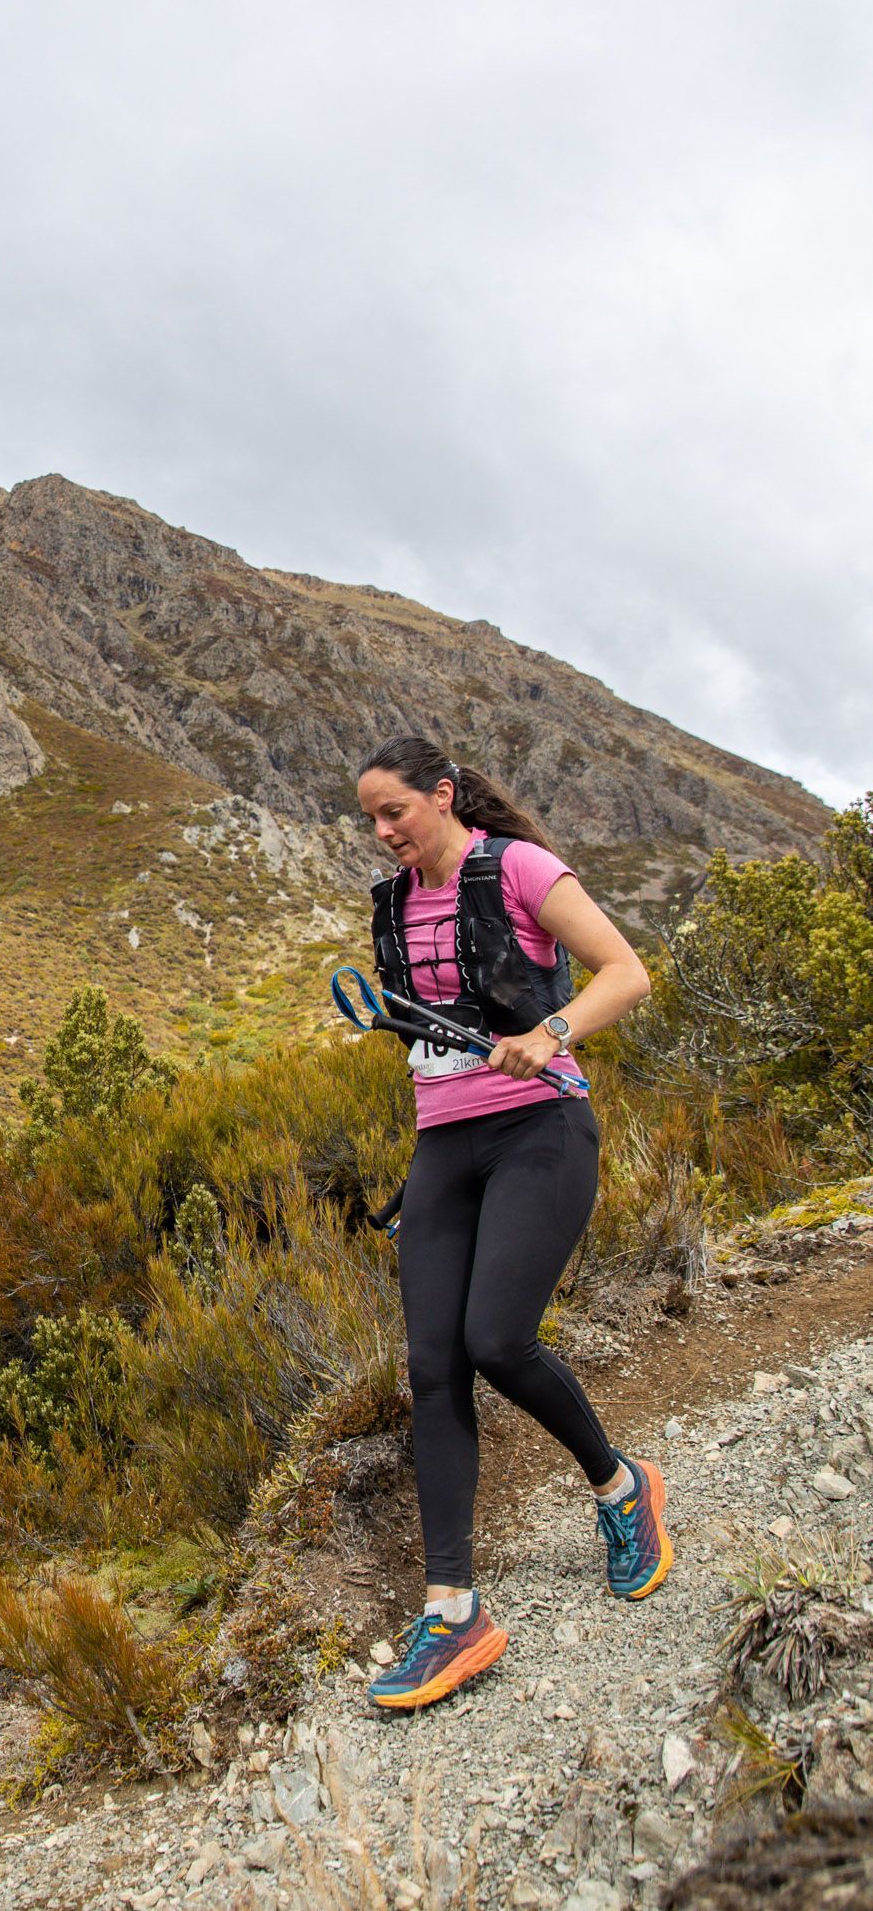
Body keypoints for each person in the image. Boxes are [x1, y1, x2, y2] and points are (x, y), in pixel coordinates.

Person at [355, 732, 667, 1712]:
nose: (380, 831)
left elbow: (624, 972)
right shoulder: (395, 907)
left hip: (541, 1129)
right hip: (443, 1149)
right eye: (367, 817)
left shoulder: (518, 867)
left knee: (494, 1340)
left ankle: (621, 1489)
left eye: (392, 810)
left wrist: (548, 1033)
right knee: (431, 1364)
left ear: (441, 796)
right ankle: (452, 1608)